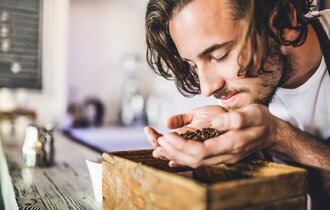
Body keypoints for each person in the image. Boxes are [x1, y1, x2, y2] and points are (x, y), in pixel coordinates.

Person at [143, 0, 330, 209]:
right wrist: (230, 132)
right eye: (193, 65)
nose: (207, 88)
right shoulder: (251, 89)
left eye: (219, 56)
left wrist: (278, 137)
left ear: (284, 22)